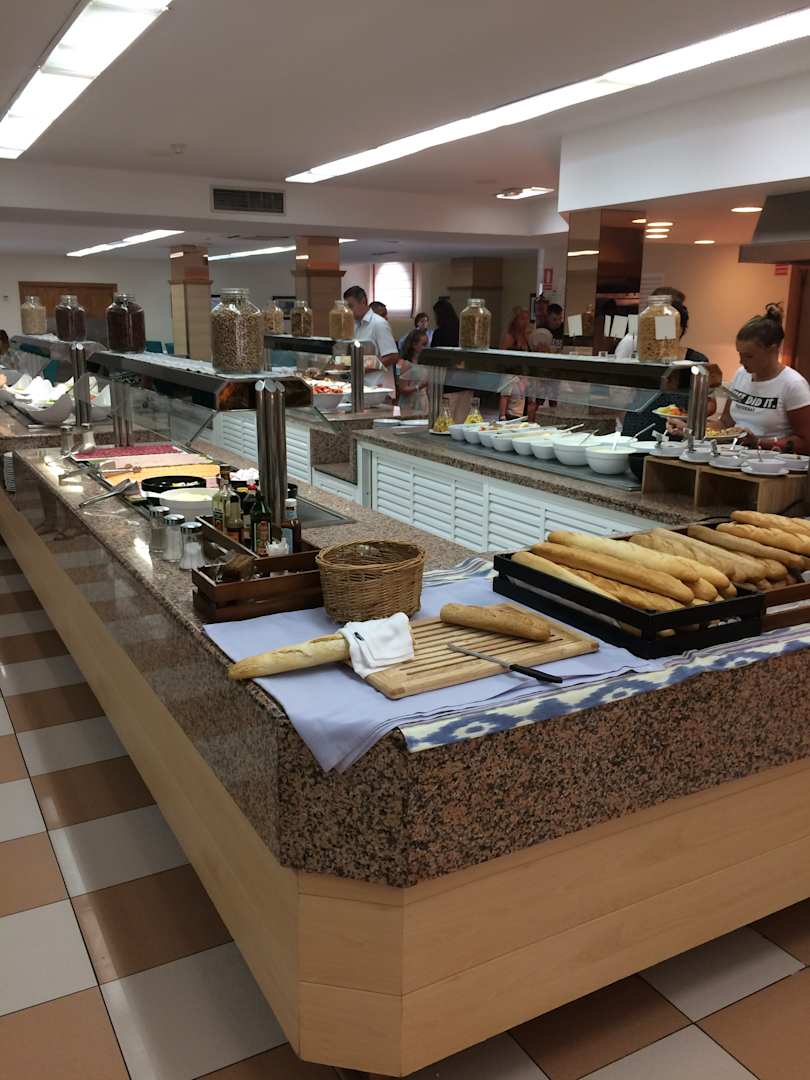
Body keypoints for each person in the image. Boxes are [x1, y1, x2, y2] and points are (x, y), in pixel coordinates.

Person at [712, 305, 810, 452]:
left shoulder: (793, 384)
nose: (741, 361)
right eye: (740, 354)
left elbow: (805, 442)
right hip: (734, 454)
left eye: (749, 356)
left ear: (772, 350)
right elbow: (726, 423)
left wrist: (759, 442)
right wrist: (693, 427)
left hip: (770, 460)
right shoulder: (741, 374)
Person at [343, 286, 399, 391]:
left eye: (351, 306)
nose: (348, 311)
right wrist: (338, 362)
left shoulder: (379, 323)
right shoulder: (354, 325)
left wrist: (362, 368)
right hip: (360, 387)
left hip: (378, 388)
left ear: (363, 302)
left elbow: (392, 356)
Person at [498, 310, 531, 420]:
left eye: (527, 319)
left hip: (523, 375)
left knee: (519, 405)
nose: (525, 322)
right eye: (522, 319)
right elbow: (503, 358)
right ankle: (503, 417)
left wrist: (524, 376)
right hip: (511, 374)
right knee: (507, 396)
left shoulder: (525, 337)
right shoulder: (509, 337)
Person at [397, 329, 430, 415]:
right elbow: (402, 389)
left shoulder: (425, 363)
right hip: (409, 404)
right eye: (423, 344)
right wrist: (419, 386)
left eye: (427, 344)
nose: (427, 347)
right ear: (414, 345)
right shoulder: (404, 363)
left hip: (423, 402)